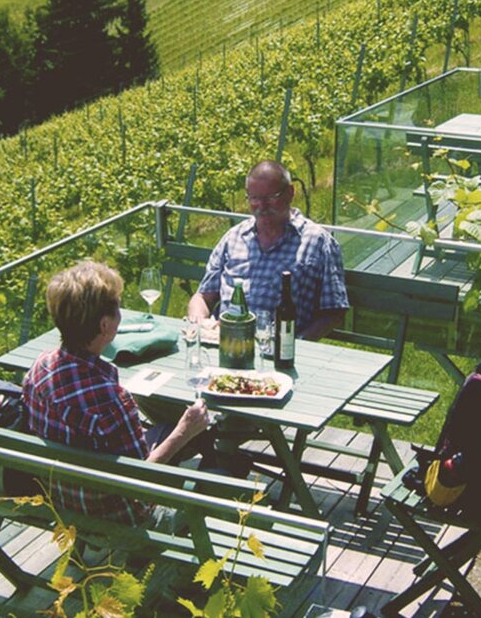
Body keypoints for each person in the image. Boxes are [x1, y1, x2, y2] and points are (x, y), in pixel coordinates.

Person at [22, 260, 211, 526]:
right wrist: (185, 431)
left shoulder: (39, 370)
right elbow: (138, 478)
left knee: (166, 428)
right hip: (123, 518)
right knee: (225, 467)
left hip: (65, 503)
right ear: (105, 326)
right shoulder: (110, 399)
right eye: (118, 307)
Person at [188, 160, 349, 340]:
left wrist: (296, 345)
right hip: (226, 344)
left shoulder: (317, 241)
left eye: (271, 197)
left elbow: (334, 312)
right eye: (254, 198)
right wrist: (199, 323)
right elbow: (203, 296)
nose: (262, 206)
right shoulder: (234, 237)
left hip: (279, 352)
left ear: (290, 193)